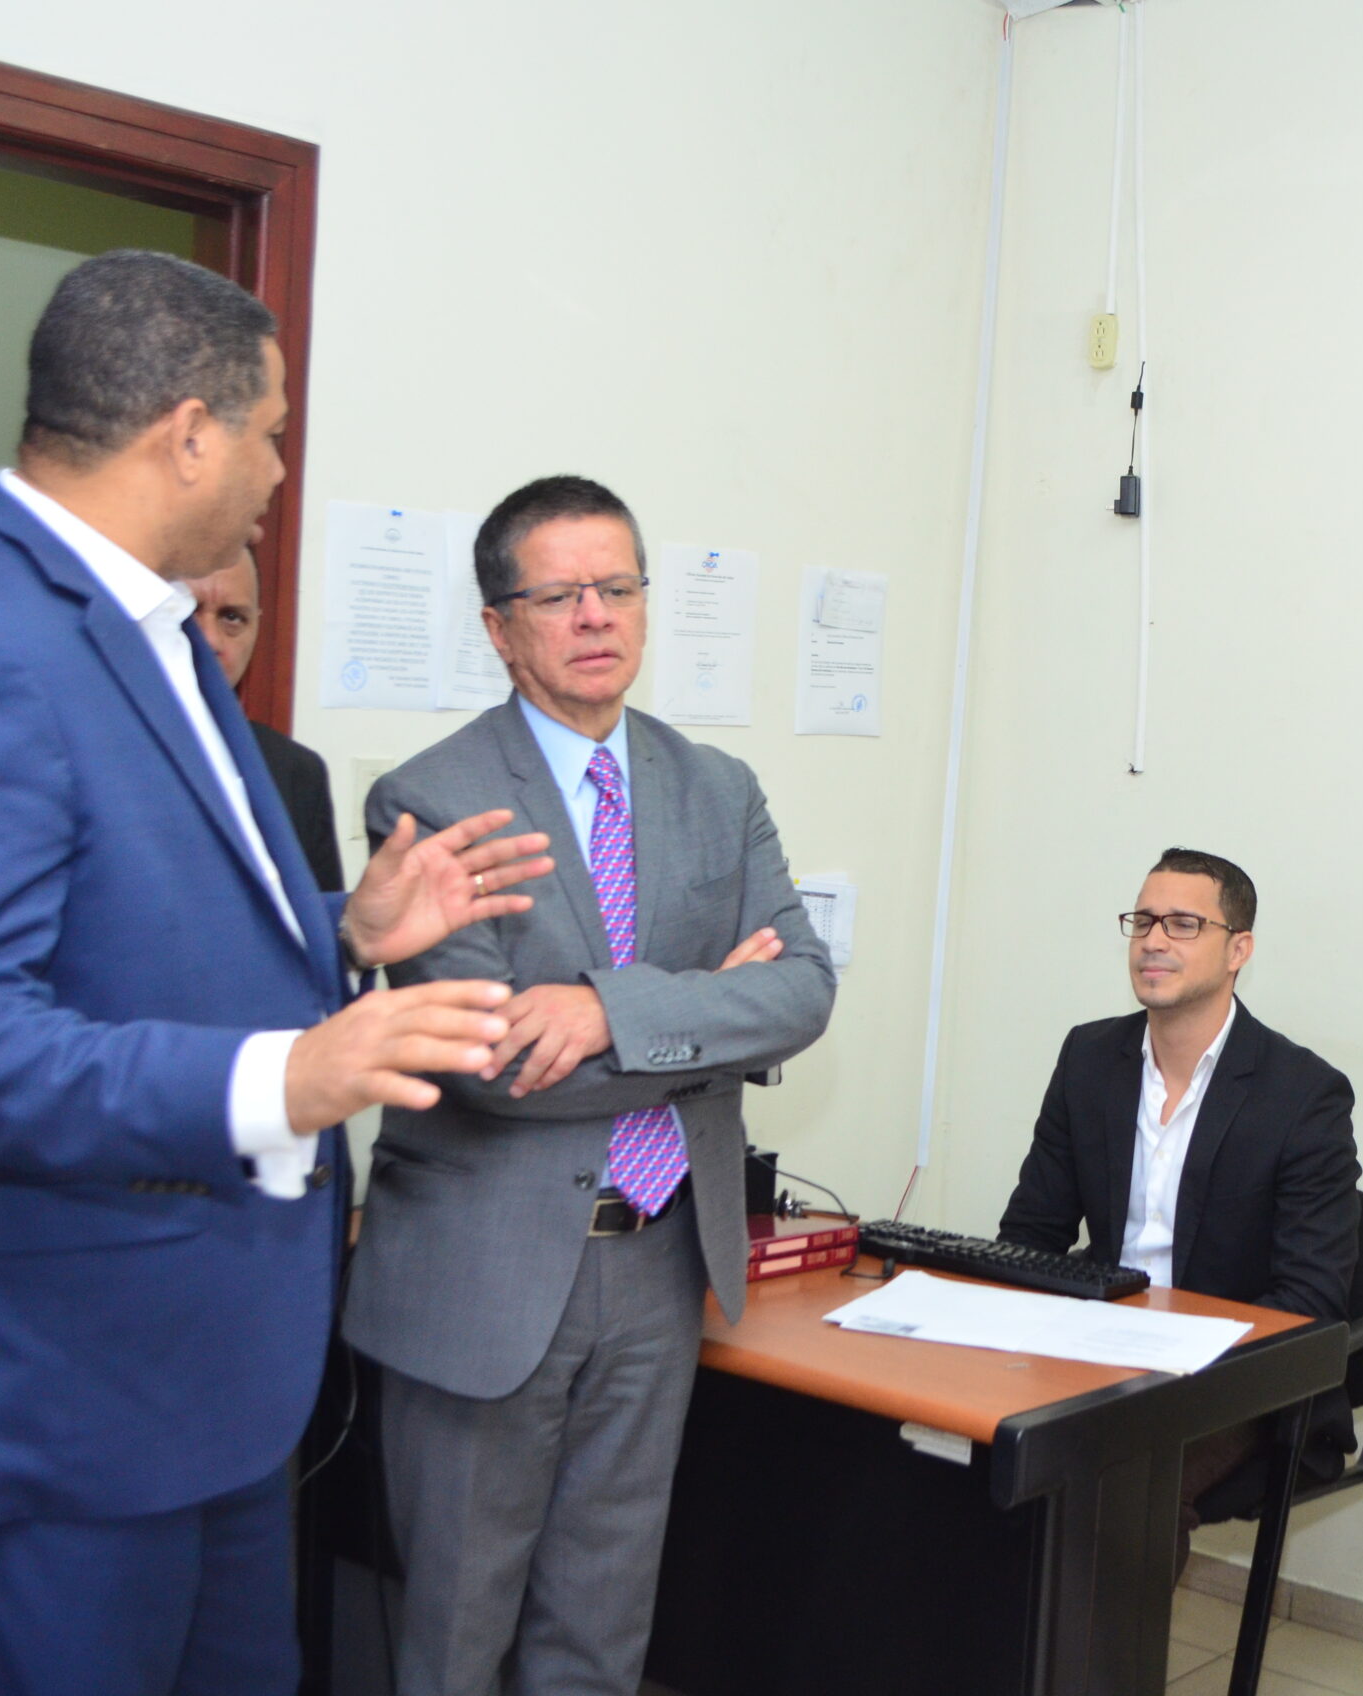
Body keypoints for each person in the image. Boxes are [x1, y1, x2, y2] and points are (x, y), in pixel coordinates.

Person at [0, 249, 551, 1696]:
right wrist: (289, 1076)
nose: (280, 470)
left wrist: (345, 931)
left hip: (200, 1394)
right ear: (189, 433)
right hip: (56, 1407)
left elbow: (131, 929)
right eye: (272, 431)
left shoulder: (142, 625)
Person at [342, 473, 837, 1696]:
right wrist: (702, 1007)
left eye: (617, 586)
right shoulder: (434, 799)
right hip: (485, 1278)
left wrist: (603, 1009)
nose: (595, 615)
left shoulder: (716, 788)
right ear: (499, 626)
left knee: (602, 1636)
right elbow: (494, 1063)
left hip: (661, 1261)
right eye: (559, 595)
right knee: (454, 1638)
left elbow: (802, 993)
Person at [998, 847, 1361, 1576]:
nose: (1153, 941)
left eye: (1183, 924)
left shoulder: (1303, 1093)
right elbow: (1031, 1232)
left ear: (1238, 951)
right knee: (970, 1444)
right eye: (1143, 921)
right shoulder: (1089, 1057)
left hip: (1232, 1374)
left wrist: (1171, 1355)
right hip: (1100, 1343)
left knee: (1118, 1487)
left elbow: (1309, 1298)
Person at [195, 543, 343, 890]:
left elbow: (317, 916)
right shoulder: (90, 754)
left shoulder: (296, 773)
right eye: (187, 613)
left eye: (232, 618)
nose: (210, 640)